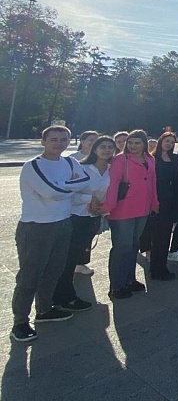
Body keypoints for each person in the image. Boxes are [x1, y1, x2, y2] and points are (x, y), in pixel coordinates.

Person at [11, 126, 104, 343]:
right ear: (43, 141)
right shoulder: (33, 166)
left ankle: (44, 310)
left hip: (63, 223)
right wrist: (69, 187)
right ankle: (20, 322)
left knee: (54, 270)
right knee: (29, 276)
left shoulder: (70, 162)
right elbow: (51, 192)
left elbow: (85, 183)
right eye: (53, 139)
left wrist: (64, 187)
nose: (59, 143)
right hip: (36, 227)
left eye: (64, 139)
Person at [53, 135, 114, 313]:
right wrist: (90, 199)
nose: (107, 150)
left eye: (110, 147)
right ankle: (63, 296)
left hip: (93, 218)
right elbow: (68, 192)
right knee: (68, 258)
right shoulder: (81, 167)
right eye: (102, 146)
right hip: (76, 216)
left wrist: (102, 208)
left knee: (76, 255)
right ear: (94, 149)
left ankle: (64, 293)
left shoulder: (112, 170)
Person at [102, 130, 159, 300]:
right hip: (123, 209)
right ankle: (117, 285)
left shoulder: (149, 159)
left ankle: (130, 279)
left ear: (144, 144)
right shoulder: (121, 159)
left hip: (142, 209)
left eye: (137, 143)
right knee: (122, 247)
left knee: (134, 245)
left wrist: (155, 203)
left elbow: (153, 183)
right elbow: (113, 184)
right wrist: (109, 206)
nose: (133, 146)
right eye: (131, 143)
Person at [147, 132, 178, 280]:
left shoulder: (174, 158)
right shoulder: (152, 159)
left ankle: (162, 266)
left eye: (172, 142)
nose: (169, 144)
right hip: (158, 200)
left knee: (166, 235)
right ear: (160, 141)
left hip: (173, 201)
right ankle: (157, 269)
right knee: (159, 237)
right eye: (167, 141)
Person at [69, 130, 100, 276]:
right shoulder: (73, 159)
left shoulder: (100, 159)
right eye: (90, 140)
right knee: (75, 238)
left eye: (96, 141)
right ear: (82, 141)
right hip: (76, 208)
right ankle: (72, 264)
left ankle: (81, 263)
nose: (93, 143)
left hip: (95, 209)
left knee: (88, 237)